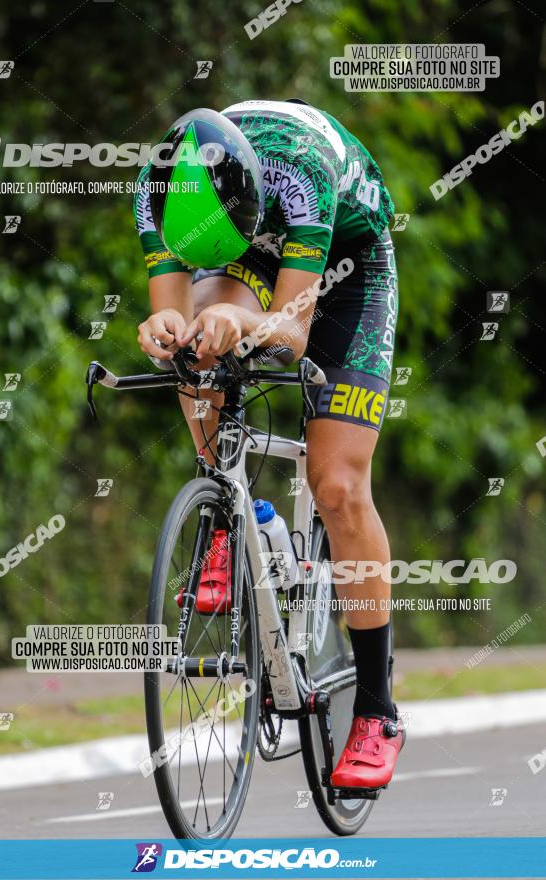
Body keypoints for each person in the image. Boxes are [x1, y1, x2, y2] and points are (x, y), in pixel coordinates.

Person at [134, 99, 404, 792]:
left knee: (337, 484)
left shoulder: (301, 174)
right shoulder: (160, 189)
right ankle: (231, 513)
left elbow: (290, 333)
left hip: (345, 259)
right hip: (248, 246)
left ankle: (376, 711)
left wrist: (238, 315)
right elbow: (171, 303)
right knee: (195, 350)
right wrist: (170, 323)